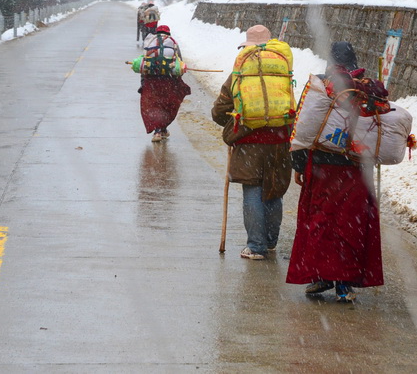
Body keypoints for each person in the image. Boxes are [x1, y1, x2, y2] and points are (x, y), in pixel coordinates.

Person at [285, 41, 384, 303]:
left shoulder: (321, 85)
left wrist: (298, 165)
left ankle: (322, 276)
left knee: (320, 220)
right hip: (355, 168)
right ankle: (345, 283)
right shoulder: (367, 86)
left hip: (322, 167)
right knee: (350, 224)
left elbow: (303, 127)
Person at [210, 25, 293, 260]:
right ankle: (270, 241)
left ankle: (256, 246)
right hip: (279, 140)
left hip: (249, 143)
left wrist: (234, 120)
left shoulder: (240, 72)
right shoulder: (282, 68)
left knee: (253, 189)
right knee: (274, 190)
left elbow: (220, 110)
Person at [137, 25, 191, 142]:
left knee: (154, 106)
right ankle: (162, 129)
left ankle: (158, 131)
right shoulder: (172, 43)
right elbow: (179, 63)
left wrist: (143, 82)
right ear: (168, 33)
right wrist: (177, 80)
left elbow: (144, 64)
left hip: (152, 81)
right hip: (168, 81)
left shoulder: (150, 42)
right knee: (167, 106)